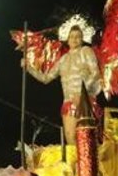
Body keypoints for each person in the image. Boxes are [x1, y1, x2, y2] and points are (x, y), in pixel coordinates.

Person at [21, 16, 101, 147]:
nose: (74, 39)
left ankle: (90, 166)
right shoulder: (62, 60)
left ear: (82, 39)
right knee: (71, 139)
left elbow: (95, 73)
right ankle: (76, 167)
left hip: (85, 101)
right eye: (72, 36)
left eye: (78, 36)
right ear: (67, 39)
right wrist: (28, 68)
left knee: (86, 140)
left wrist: (82, 94)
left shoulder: (86, 51)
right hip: (68, 103)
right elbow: (46, 78)